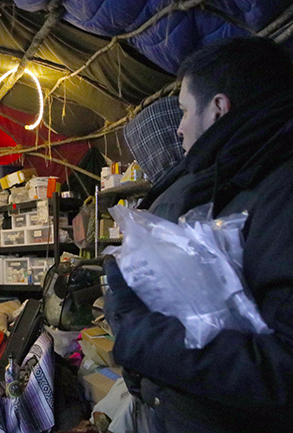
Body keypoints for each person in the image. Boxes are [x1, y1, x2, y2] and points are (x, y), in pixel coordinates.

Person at [104, 36, 293, 433]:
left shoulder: (279, 190)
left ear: (218, 108)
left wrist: (140, 333)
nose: (179, 128)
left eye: (184, 110)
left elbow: (283, 369)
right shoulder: (236, 179)